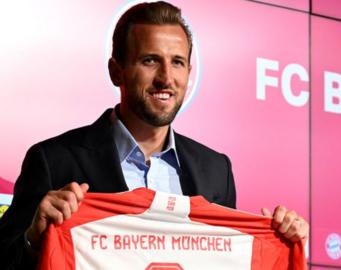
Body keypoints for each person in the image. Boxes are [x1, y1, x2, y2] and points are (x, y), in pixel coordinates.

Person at [0, 1, 309, 269]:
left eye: (177, 63)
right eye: (150, 60)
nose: (166, 78)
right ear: (116, 71)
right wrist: (33, 239)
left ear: (189, 72)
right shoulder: (54, 160)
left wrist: (282, 240)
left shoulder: (216, 171)